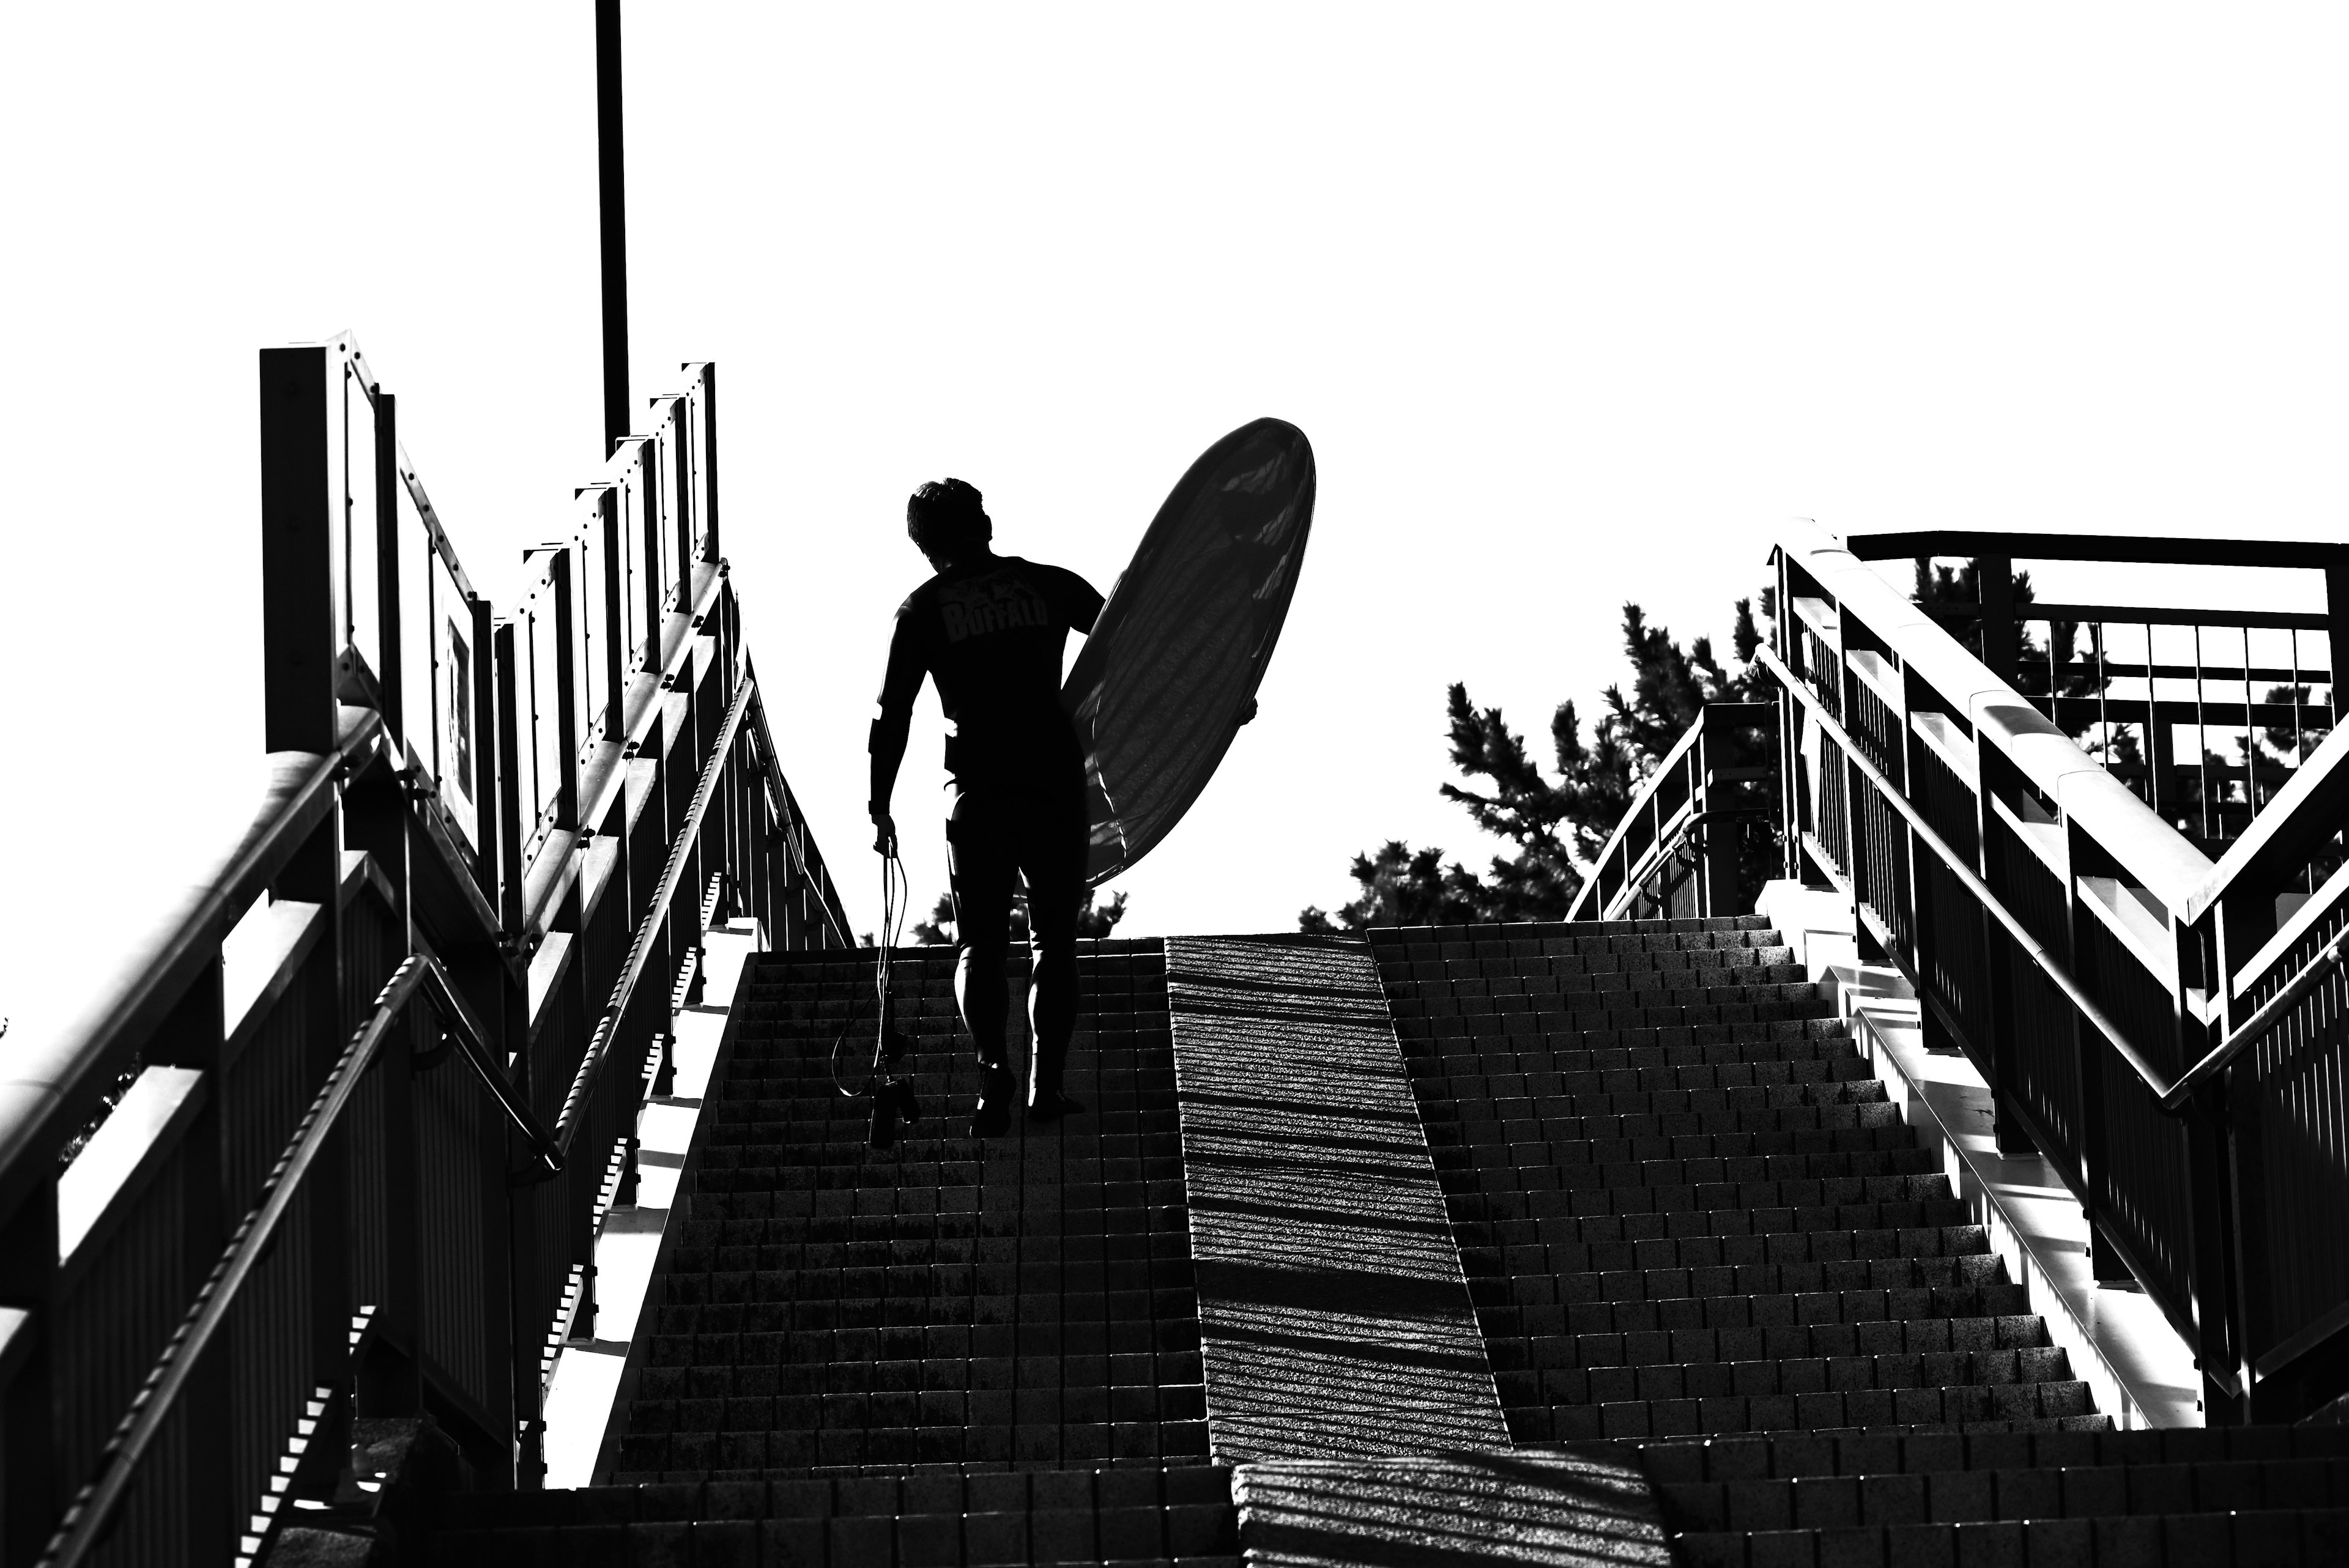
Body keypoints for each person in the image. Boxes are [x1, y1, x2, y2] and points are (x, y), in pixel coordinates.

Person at [869, 479, 1105, 1137]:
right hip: (1053, 781)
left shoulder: (922, 609)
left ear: (923, 545)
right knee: (1053, 940)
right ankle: (1046, 1086)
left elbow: (893, 712)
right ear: (988, 522)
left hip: (975, 789)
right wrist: (1212, 703)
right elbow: (1138, 644)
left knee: (979, 942)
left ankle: (991, 1067)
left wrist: (878, 802)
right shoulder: (1053, 586)